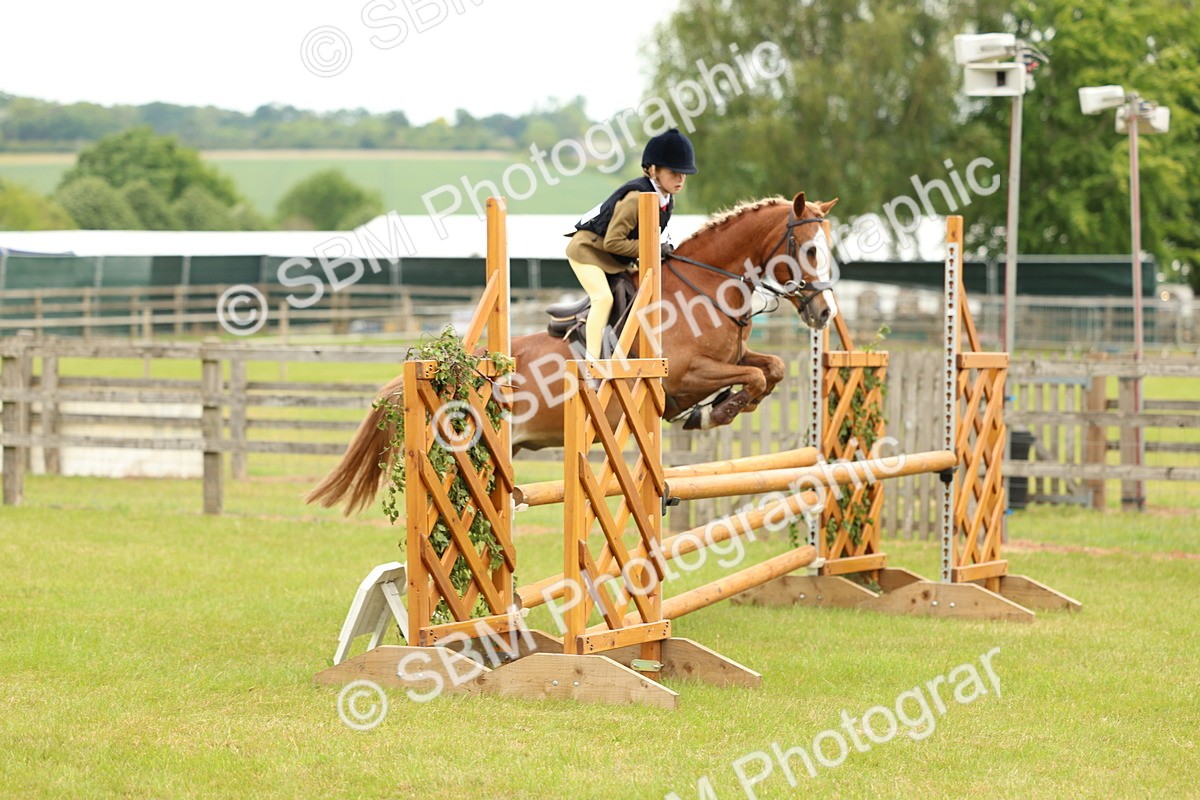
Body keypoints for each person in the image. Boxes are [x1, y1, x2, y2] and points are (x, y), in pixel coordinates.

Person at [565, 128, 698, 358]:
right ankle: (592, 362)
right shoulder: (636, 199)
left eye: (684, 173)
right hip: (587, 252)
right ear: (653, 170)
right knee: (603, 299)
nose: (680, 179)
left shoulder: (666, 199)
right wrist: (653, 250)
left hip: (614, 259)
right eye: (674, 172)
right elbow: (613, 242)